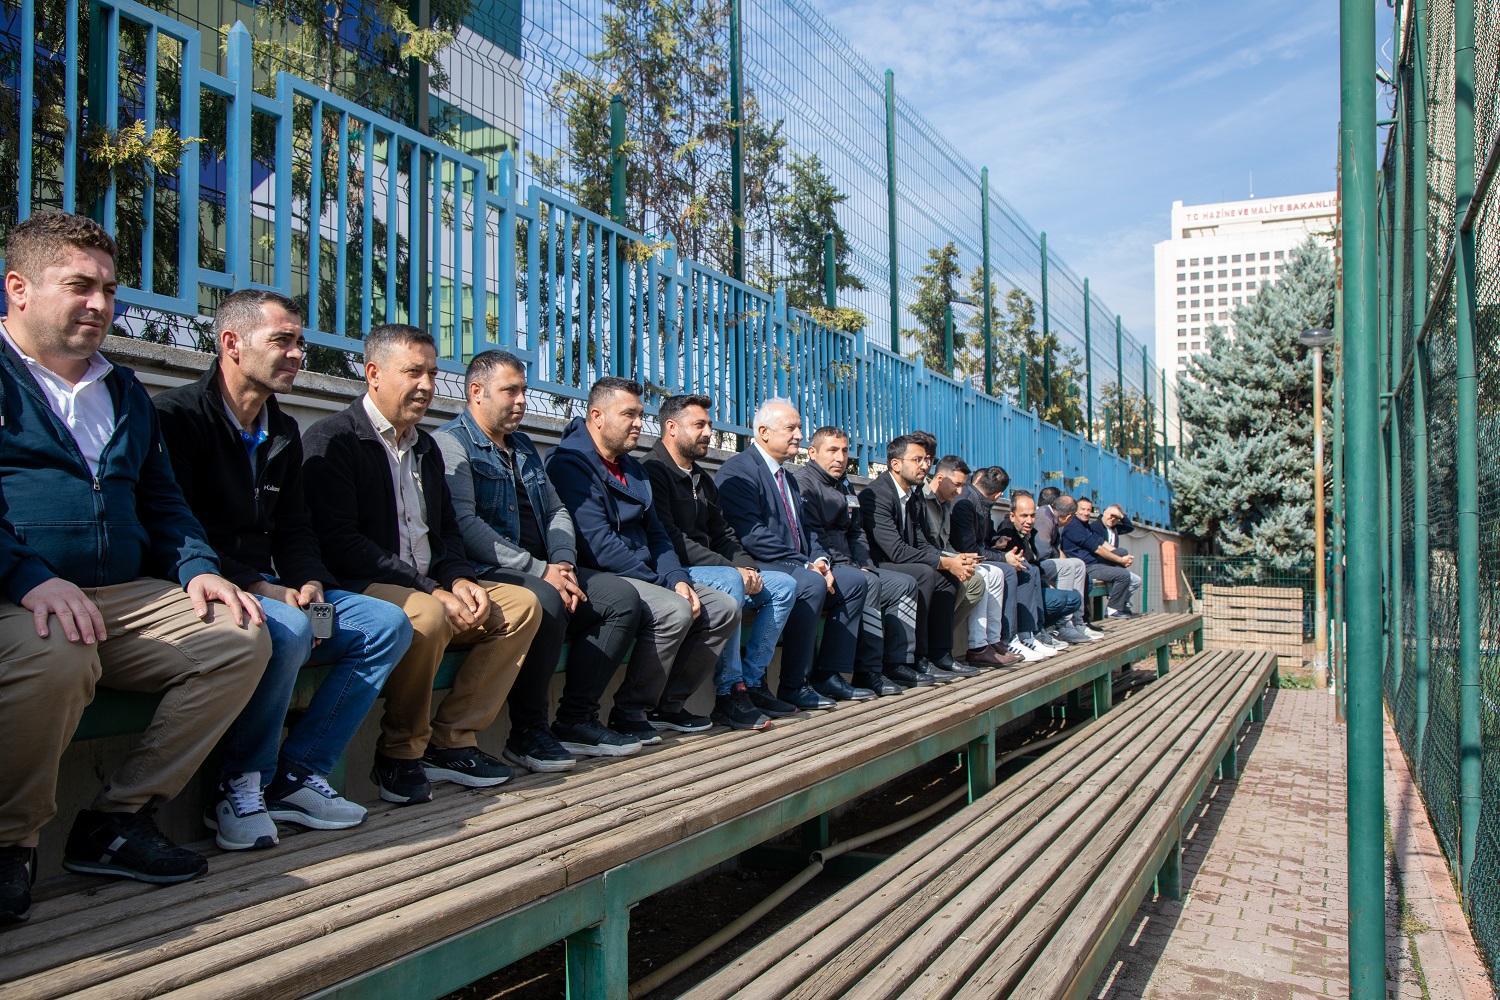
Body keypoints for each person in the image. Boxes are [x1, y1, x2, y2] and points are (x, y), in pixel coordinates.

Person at [0, 212, 269, 914]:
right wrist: (29, 577)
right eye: (79, 286)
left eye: (109, 290)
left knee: (240, 635)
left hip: (116, 593)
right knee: (57, 651)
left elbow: (162, 500)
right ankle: (11, 844)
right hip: (15, 594)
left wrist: (198, 568)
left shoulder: (123, 390)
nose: (99, 304)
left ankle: (116, 820)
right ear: (18, 288)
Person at [154, 290, 413, 850]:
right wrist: (258, 585)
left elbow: (295, 528)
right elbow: (174, 527)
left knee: (385, 624)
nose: (297, 353)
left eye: (300, 342)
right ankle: (238, 784)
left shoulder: (283, 429)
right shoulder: (177, 417)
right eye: (282, 340)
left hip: (273, 587)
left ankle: (297, 774)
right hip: (203, 587)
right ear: (231, 343)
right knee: (291, 628)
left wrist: (309, 580)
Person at [302, 324, 543, 806]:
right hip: (362, 587)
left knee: (521, 606)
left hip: (430, 584)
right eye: (413, 372)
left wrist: (460, 578)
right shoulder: (333, 439)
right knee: (429, 616)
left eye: (432, 373)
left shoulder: (426, 447)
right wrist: (430, 588)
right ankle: (400, 752)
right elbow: (340, 543)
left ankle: (452, 740)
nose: (427, 385)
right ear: (373, 373)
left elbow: (447, 532)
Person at [434, 350, 644, 769]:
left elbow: (557, 510)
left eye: (524, 391)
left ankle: (576, 719)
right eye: (509, 391)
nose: (521, 401)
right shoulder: (451, 443)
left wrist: (563, 563)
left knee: (620, 598)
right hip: (488, 570)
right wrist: (540, 571)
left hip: (547, 567)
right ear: (476, 391)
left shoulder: (524, 446)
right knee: (545, 600)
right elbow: (465, 526)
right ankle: (528, 731)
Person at [546, 377, 739, 741]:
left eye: (640, 415)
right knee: (674, 609)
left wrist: (676, 578)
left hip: (644, 574)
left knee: (723, 608)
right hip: (601, 574)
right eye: (629, 415)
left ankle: (669, 704)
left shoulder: (633, 469)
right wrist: (661, 583)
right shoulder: (570, 465)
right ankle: (630, 710)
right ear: (597, 416)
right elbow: (596, 543)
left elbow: (658, 535)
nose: (638, 423)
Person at [643, 394, 799, 729]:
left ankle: (752, 682)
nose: (708, 432)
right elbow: (670, 538)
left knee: (783, 585)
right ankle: (729, 691)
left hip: (714, 570)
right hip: (676, 570)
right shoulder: (652, 471)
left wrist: (748, 567)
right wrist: (733, 570)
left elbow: (724, 533)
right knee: (731, 582)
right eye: (699, 425)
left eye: (710, 425)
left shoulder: (702, 478)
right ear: (671, 427)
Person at [716, 399, 875, 708]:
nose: (799, 435)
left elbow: (807, 530)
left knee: (855, 581)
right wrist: (805, 564)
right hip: (759, 565)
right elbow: (751, 535)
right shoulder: (738, 471)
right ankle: (793, 684)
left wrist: (820, 560)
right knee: (810, 583)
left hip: (796, 564)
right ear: (764, 432)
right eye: (791, 428)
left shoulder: (787, 476)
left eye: (799, 428)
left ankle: (827, 674)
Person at [792, 426, 920, 693]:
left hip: (852, 565)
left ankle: (897, 663)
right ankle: (865, 671)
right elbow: (812, 535)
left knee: (905, 584)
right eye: (832, 450)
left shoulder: (845, 483)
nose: (840, 458)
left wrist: (865, 564)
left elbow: (856, 531)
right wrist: (848, 568)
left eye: (844, 451)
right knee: (867, 583)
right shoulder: (804, 483)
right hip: (826, 568)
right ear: (812, 452)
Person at [858, 435, 977, 682]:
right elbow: (895, 550)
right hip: (877, 564)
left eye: (926, 460)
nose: (925, 466)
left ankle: (939, 653)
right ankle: (912, 659)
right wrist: (945, 562)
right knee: (925, 574)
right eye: (917, 460)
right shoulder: (876, 494)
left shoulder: (910, 495)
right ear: (896, 464)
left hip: (898, 562)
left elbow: (920, 542)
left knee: (945, 578)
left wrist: (951, 561)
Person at [915, 456, 1000, 670]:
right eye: (957, 484)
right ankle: (933, 646)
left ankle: (939, 642)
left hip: (940, 559)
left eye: (963, 485)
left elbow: (946, 544)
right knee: (964, 579)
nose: (960, 491)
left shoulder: (947, 503)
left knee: (976, 580)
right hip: (925, 563)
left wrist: (962, 558)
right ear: (940, 478)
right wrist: (954, 560)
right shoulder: (920, 499)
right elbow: (922, 545)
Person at [993, 492, 1085, 657]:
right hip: (1017, 594)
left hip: (1033, 588)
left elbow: (1037, 559)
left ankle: (1040, 631)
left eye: (1032, 515)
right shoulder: (1007, 534)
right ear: (1013, 516)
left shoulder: (1028, 532)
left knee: (1075, 595)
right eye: (1024, 516)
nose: (1029, 520)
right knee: (1055, 591)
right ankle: (1025, 635)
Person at [1032, 489, 1096, 639]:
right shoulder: (1045, 518)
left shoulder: (1053, 518)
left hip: (1044, 564)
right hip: (1034, 566)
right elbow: (1042, 553)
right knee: (1067, 566)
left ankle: (1077, 621)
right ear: (1068, 517)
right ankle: (1062, 624)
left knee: (1078, 564)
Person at [1061, 497, 1138, 617]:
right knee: (1124, 576)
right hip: (1085, 566)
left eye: (1089, 510)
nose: (1086, 512)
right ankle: (1112, 609)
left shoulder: (1085, 525)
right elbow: (1097, 548)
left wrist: (1123, 557)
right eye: (1083, 509)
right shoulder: (1075, 526)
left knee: (1122, 551)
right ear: (1075, 511)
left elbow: (1101, 542)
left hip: (1092, 561)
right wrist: (1120, 560)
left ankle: (1114, 586)